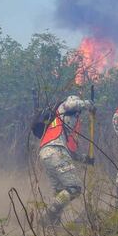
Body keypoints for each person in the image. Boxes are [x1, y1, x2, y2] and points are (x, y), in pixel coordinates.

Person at [38, 94, 95, 225]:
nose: (77, 115)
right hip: (55, 151)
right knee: (74, 188)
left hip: (46, 152)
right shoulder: (64, 107)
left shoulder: (60, 124)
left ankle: (53, 223)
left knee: (60, 191)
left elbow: (69, 152)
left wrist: (85, 159)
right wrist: (88, 104)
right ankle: (49, 215)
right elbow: (70, 105)